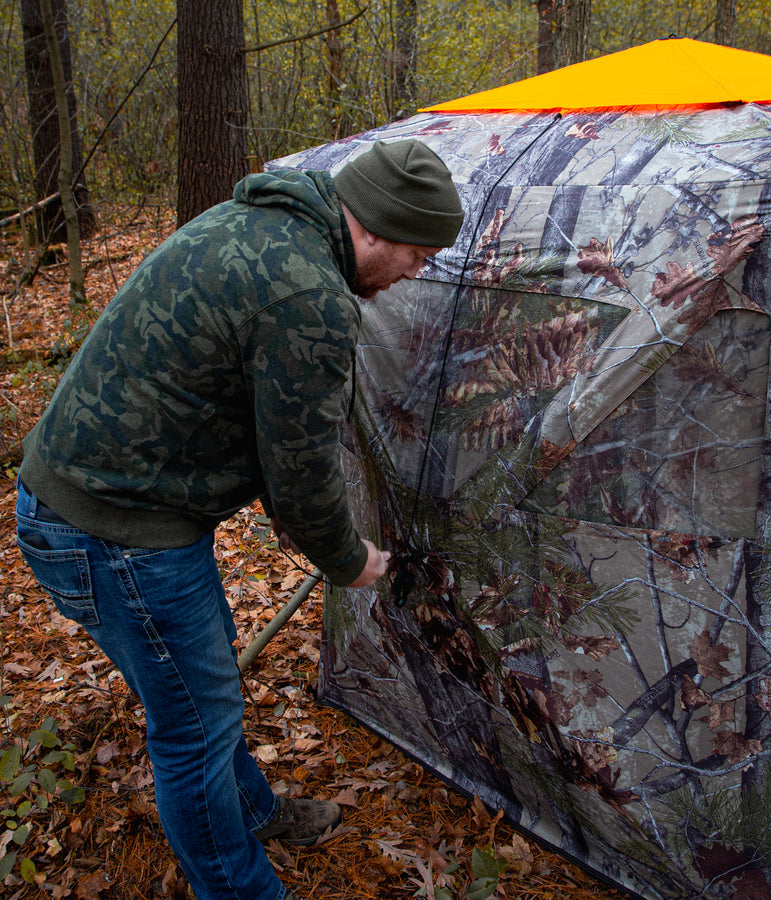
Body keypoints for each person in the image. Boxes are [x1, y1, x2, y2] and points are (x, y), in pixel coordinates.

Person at [15, 139, 464, 900]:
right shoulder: (311, 298)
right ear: (377, 231)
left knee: (205, 686)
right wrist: (349, 560)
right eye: (418, 257)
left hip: (89, 501)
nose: (415, 274)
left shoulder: (260, 223)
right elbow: (303, 472)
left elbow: (234, 394)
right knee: (193, 728)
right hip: (115, 531)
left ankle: (251, 810)